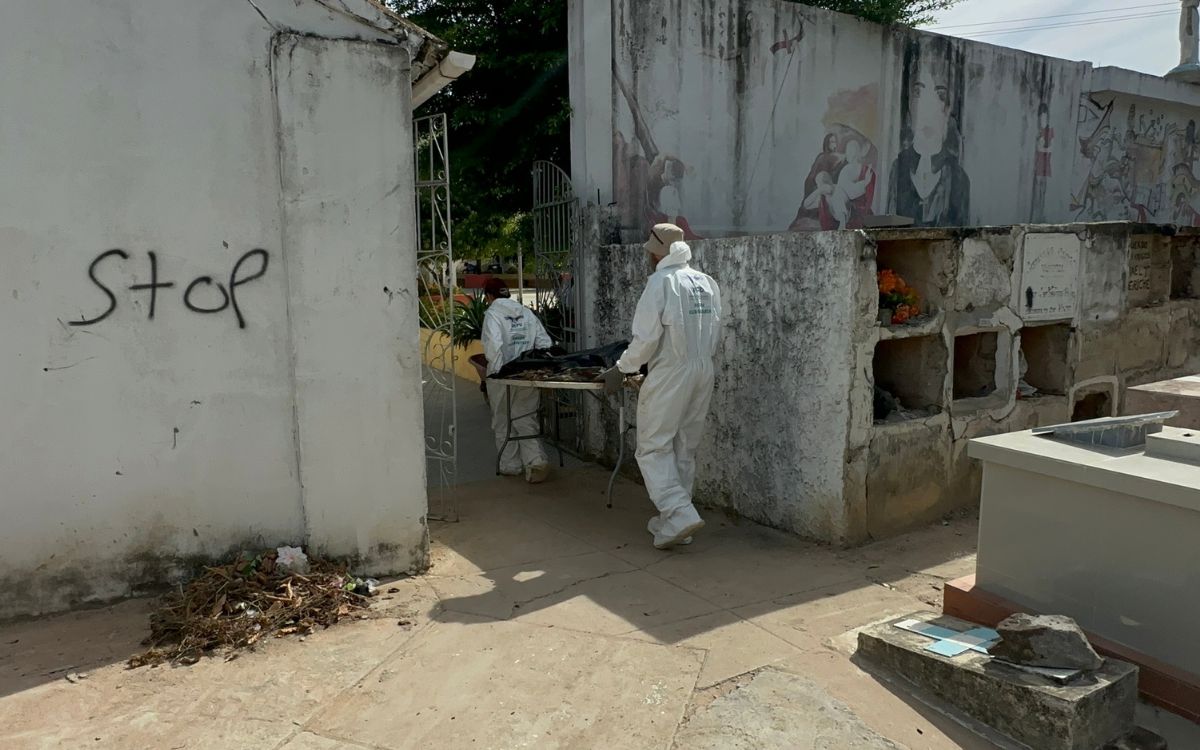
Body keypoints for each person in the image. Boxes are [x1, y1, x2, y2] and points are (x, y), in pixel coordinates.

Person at [617, 223, 722, 549]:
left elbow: (646, 339)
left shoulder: (661, 282)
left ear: (658, 252)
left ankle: (678, 513)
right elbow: (715, 329)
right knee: (683, 447)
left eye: (650, 250)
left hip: (671, 372)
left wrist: (622, 368)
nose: (648, 255)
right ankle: (676, 524)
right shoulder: (706, 282)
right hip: (702, 369)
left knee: (652, 447)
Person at [481, 277, 552, 483]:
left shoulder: (493, 315)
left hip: (502, 375)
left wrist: (498, 374)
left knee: (502, 419)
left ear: (489, 296)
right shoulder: (526, 313)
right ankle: (536, 461)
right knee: (526, 417)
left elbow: (493, 347)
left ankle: (510, 465)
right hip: (527, 373)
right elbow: (544, 343)